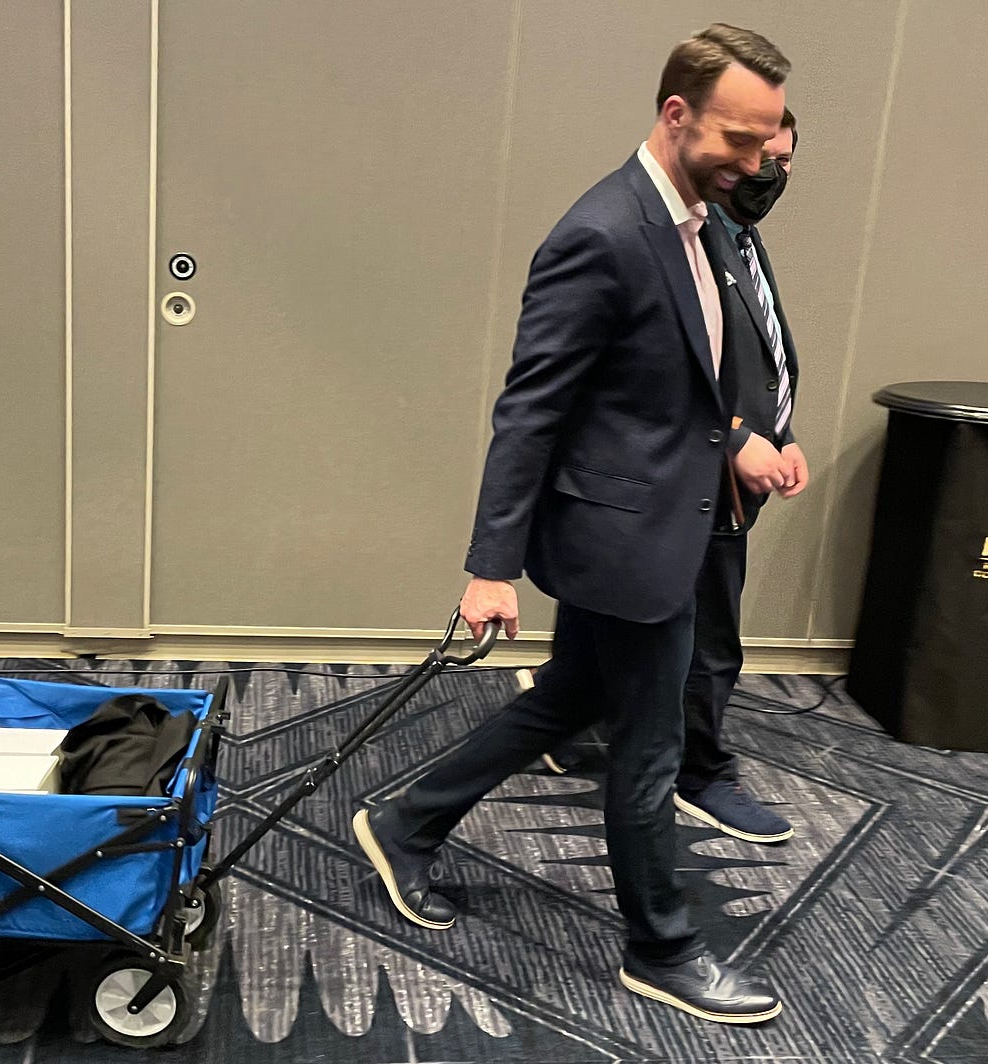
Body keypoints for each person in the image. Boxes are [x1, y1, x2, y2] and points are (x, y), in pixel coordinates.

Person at [352, 24, 790, 1025]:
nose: (757, 162)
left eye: (768, 143)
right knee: (645, 750)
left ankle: (402, 819)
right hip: (625, 542)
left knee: (566, 699)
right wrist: (490, 565)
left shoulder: (706, 222)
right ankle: (662, 947)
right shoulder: (601, 231)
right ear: (674, 113)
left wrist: (741, 441)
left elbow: (687, 381)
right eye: (740, 138)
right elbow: (532, 408)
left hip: (670, 522)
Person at [543, 112, 807, 848]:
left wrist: (779, 433)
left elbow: (750, 359)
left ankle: (568, 716)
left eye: (784, 161)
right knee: (705, 638)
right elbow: (652, 381)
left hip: (724, 471)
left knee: (627, 628)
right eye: (758, 157)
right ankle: (700, 775)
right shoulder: (669, 240)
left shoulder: (736, 236)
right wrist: (737, 439)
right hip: (690, 478)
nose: (769, 174)